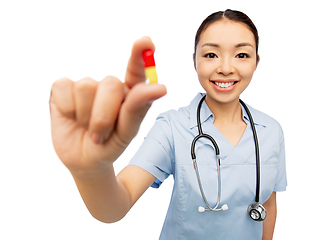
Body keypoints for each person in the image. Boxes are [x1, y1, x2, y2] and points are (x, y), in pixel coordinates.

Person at [50, 9, 287, 240]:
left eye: (242, 55)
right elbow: (116, 205)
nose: (225, 68)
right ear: (194, 61)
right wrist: (92, 172)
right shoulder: (172, 127)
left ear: (256, 61)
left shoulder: (271, 131)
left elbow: (267, 203)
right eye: (211, 55)